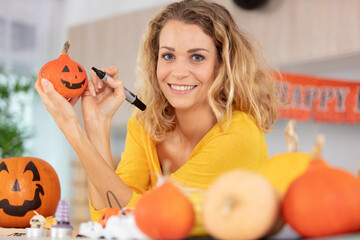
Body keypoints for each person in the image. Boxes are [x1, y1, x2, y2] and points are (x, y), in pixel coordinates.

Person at [35, 0, 278, 221]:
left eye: (197, 57)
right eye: (168, 55)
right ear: (155, 61)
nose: (179, 72)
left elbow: (147, 219)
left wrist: (72, 130)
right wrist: (97, 124)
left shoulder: (239, 136)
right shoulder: (145, 124)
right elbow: (109, 215)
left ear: (222, 65)